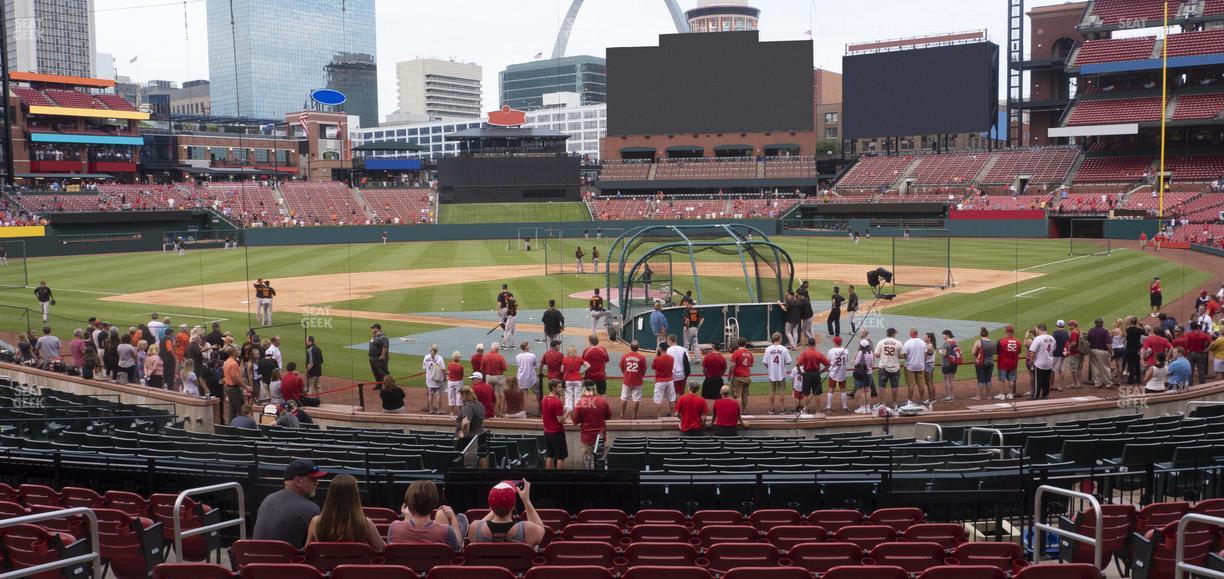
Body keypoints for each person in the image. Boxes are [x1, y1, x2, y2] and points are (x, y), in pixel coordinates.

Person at [252, 459, 326, 549]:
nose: (317, 483)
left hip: (255, 561)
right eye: (313, 479)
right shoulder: (311, 509)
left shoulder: (267, 499)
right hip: (286, 562)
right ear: (298, 481)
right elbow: (314, 549)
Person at [306, 474, 385, 550]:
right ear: (355, 496)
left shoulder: (315, 522)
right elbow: (384, 550)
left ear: (330, 495)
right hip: (354, 564)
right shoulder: (365, 524)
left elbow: (308, 552)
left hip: (324, 564)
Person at [388, 480, 467, 551]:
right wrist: (453, 518)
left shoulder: (394, 527)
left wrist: (407, 518)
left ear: (409, 503)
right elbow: (458, 548)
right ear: (434, 503)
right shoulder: (446, 531)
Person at [468, 481, 546, 546]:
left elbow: (480, 524)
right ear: (514, 506)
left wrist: (496, 506)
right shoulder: (528, 529)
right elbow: (541, 529)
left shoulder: (474, 528)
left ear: (490, 506)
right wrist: (526, 500)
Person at [572, 381, 611, 468]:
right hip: (601, 437)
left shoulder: (580, 403)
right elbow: (608, 416)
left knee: (589, 462)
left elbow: (575, 421)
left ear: (584, 389)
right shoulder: (602, 401)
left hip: (587, 437)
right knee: (601, 461)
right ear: (594, 389)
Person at [454, 386, 487, 467]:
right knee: (483, 456)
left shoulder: (468, 407)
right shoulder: (479, 404)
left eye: (461, 396)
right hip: (480, 434)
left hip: (470, 439)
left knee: (468, 463)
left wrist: (464, 434)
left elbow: (466, 422)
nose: (460, 398)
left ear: (465, 396)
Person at [796, 338, 830, 415]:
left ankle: (805, 411)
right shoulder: (818, 354)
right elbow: (828, 364)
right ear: (815, 344)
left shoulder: (804, 354)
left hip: (807, 375)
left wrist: (800, 372)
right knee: (817, 393)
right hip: (816, 375)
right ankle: (817, 411)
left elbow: (797, 364)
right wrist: (822, 371)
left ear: (808, 344)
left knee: (806, 394)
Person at [541, 380, 568, 469]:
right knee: (561, 457)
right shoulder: (557, 402)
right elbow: (560, 420)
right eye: (559, 387)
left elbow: (546, 414)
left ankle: (549, 477)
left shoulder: (544, 399)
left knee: (550, 456)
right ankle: (560, 478)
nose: (561, 389)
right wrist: (567, 413)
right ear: (553, 388)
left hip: (547, 433)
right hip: (557, 433)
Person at [763, 332, 792, 415]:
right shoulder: (784, 349)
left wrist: (770, 368)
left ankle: (771, 409)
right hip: (782, 374)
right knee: (782, 390)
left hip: (772, 374)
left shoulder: (768, 349)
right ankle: (782, 409)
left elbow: (765, 362)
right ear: (780, 339)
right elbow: (789, 361)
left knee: (772, 390)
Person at [874, 328, 903, 408]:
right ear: (893, 334)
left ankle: (882, 403)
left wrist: (883, 356)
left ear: (887, 333)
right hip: (895, 367)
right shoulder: (898, 343)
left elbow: (876, 354)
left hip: (883, 367)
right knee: (894, 386)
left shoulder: (881, 342)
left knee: (881, 385)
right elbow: (902, 355)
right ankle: (894, 403)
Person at [619, 341, 647, 420]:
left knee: (624, 398)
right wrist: (640, 376)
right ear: (638, 348)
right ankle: (634, 416)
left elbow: (621, 368)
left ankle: (622, 414)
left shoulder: (625, 356)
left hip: (627, 381)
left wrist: (626, 374)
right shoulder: (642, 357)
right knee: (636, 399)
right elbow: (644, 370)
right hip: (637, 381)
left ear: (630, 347)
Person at [1028, 324, 1057, 400]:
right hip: (1049, 362)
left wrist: (1031, 362)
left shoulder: (1038, 339)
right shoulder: (1052, 338)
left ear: (1038, 329)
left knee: (1038, 380)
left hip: (1039, 363)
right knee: (1047, 380)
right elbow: (1053, 349)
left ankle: (1035, 396)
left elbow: (1032, 352)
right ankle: (1045, 395)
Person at [901, 329, 928, 405]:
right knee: (921, 383)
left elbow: (905, 356)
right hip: (920, 366)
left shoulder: (907, 343)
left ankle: (909, 400)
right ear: (917, 333)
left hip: (910, 366)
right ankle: (922, 400)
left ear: (910, 334)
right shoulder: (923, 342)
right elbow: (925, 355)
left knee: (911, 384)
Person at [482, 343, 508, 417]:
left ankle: (489, 412)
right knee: (498, 396)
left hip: (489, 377)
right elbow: (504, 368)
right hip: (499, 377)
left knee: (488, 396)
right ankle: (498, 413)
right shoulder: (500, 357)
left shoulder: (485, 356)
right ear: (497, 349)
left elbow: (482, 369)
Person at [851, 338, 877, 414]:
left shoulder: (860, 353)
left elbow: (856, 363)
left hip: (861, 374)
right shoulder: (871, 353)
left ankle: (862, 408)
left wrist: (853, 361)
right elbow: (872, 364)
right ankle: (868, 408)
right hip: (869, 374)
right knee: (868, 391)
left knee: (861, 391)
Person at [1087, 318, 1113, 388]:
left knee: (1094, 367)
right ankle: (1108, 383)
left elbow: (1088, 341)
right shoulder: (1105, 331)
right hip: (1102, 351)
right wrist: (1111, 351)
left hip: (1092, 350)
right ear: (1102, 323)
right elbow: (1108, 344)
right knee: (1105, 367)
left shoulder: (1091, 330)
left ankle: (1097, 382)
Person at [728, 337, 753, 411]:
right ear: (745, 344)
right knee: (745, 395)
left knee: (736, 396)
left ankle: (736, 411)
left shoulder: (736, 353)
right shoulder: (749, 353)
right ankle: (744, 410)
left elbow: (732, 366)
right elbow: (751, 364)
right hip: (747, 377)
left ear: (738, 344)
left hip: (738, 377)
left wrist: (729, 375)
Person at [652, 343, 676, 418]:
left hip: (660, 381)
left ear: (660, 349)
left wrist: (657, 355)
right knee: (671, 399)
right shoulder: (672, 358)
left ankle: (659, 416)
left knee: (658, 400)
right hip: (670, 381)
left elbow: (653, 367)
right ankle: (672, 415)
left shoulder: (657, 359)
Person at [826, 336, 850, 412]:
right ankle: (845, 407)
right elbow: (846, 360)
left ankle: (829, 407)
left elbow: (828, 361)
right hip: (842, 372)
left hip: (833, 372)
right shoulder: (846, 350)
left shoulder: (831, 351)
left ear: (835, 342)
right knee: (843, 390)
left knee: (831, 389)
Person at [996, 326, 1020, 399]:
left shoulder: (1001, 341)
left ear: (1006, 332)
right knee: (1011, 379)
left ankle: (1002, 394)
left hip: (1003, 364)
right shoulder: (1018, 342)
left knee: (1002, 379)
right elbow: (1019, 352)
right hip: (1013, 364)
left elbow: (996, 352)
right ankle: (1010, 394)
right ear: (1013, 333)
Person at [516, 341, 539, 411]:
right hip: (531, 378)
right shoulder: (532, 355)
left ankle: (523, 409)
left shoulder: (518, 356)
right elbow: (535, 365)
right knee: (538, 391)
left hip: (521, 378)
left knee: (524, 393)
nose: (529, 347)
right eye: (528, 346)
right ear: (526, 347)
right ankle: (540, 408)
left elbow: (519, 366)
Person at [560, 346, 584, 411]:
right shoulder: (579, 358)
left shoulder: (565, 359)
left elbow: (561, 370)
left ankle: (568, 413)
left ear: (568, 352)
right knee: (577, 397)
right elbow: (588, 365)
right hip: (578, 379)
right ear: (575, 351)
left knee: (568, 397)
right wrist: (581, 372)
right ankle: (577, 412)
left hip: (567, 379)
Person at [940, 330, 962, 402]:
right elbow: (959, 352)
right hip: (954, 363)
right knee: (952, 380)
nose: (943, 336)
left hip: (946, 363)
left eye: (944, 335)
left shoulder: (945, 343)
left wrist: (940, 352)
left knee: (946, 380)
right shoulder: (955, 342)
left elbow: (943, 354)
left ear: (947, 335)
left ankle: (948, 396)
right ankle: (952, 396)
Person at [423, 344, 445, 415]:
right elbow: (443, 369)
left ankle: (431, 410)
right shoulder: (439, 358)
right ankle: (439, 410)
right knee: (439, 394)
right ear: (437, 350)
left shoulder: (426, 357)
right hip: (438, 379)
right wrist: (444, 377)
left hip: (429, 378)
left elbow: (424, 368)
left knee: (430, 394)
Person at [368, 324, 389, 389]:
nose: (372, 329)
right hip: (372, 358)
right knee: (376, 373)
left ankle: (388, 386)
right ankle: (379, 385)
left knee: (383, 373)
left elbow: (385, 346)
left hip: (379, 358)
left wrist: (382, 355)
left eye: (373, 328)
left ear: (377, 328)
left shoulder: (383, 337)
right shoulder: (374, 336)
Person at [1051, 320, 1069, 391]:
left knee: (1052, 370)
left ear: (1057, 325)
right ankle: (1060, 386)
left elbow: (1053, 344)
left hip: (1055, 354)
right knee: (1061, 370)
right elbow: (1067, 343)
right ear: (1063, 325)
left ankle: (1051, 385)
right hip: (1063, 354)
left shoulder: (1055, 334)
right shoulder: (1066, 333)